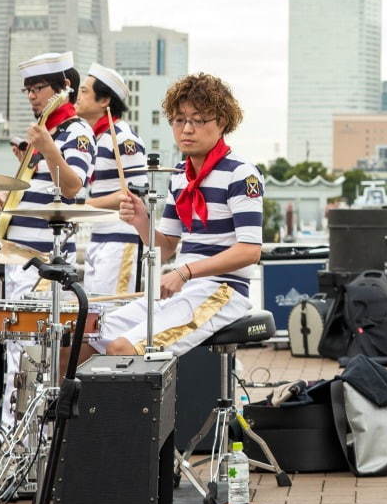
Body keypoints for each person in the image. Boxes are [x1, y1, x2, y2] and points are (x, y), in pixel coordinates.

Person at [92, 73, 263, 357]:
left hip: (223, 291)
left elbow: (249, 251)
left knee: (122, 348)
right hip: (184, 289)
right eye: (179, 119)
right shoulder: (180, 175)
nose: (186, 129)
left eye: (197, 120)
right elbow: (167, 245)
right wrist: (140, 221)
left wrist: (185, 272)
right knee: (90, 333)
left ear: (221, 122)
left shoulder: (240, 173)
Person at [0, 52, 93, 299]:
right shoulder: (44, 133)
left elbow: (72, 187)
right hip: (17, 257)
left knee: (31, 337)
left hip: (47, 261)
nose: (31, 96)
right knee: (13, 337)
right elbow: (37, 189)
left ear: (64, 88)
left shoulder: (78, 131)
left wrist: (48, 147)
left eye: (38, 88)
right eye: (27, 90)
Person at [76, 63, 150, 296]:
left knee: (111, 312)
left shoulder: (124, 139)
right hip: (99, 237)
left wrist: (83, 207)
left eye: (85, 91)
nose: (77, 96)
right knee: (95, 314)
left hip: (121, 240)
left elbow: (135, 193)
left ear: (105, 100)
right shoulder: (96, 137)